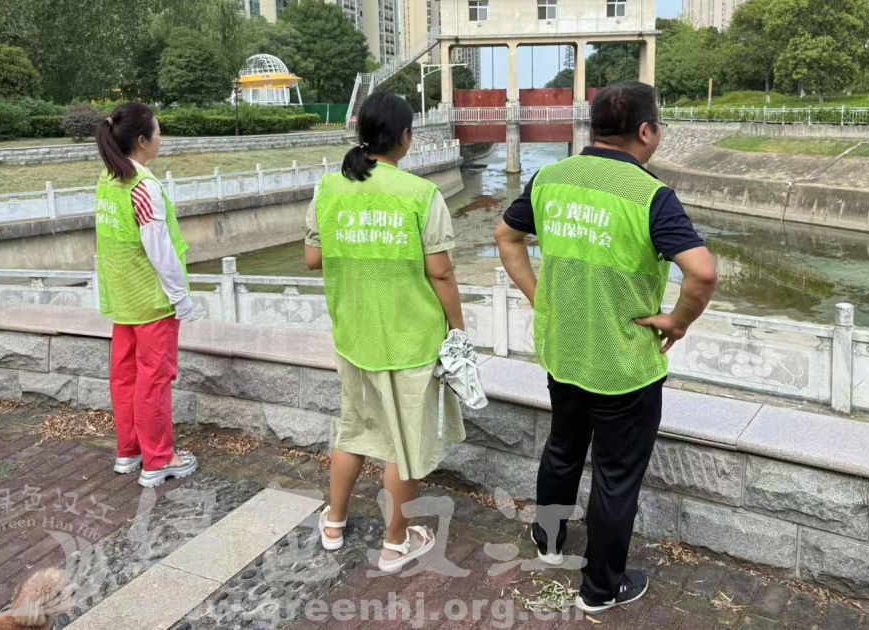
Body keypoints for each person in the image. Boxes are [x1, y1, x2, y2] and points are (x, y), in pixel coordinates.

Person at [495, 82, 717, 615]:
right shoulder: (650, 196)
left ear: (593, 128)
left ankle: (549, 542)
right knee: (615, 478)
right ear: (646, 131)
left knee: (563, 448)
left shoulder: (551, 178)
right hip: (624, 363)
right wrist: (678, 321)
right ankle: (600, 589)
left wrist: (540, 297)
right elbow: (703, 273)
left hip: (565, 349)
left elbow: (505, 235)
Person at [305, 91, 467, 573]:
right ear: (405, 138)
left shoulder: (329, 189)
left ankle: (334, 524)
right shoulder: (421, 195)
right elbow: (441, 272)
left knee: (354, 431)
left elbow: (313, 258)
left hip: (354, 336)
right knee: (404, 445)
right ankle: (395, 544)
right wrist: (458, 328)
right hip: (410, 340)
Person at [95, 102, 199, 489]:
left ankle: (130, 451)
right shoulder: (143, 187)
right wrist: (181, 298)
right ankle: (158, 459)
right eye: (157, 131)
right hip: (151, 302)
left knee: (125, 377)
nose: (161, 137)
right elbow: (161, 250)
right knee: (154, 380)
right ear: (142, 141)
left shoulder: (109, 179)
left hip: (122, 299)